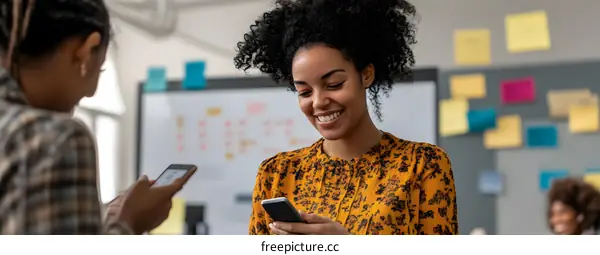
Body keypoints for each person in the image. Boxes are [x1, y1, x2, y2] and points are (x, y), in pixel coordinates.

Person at [234, 0, 458, 235]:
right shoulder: (276, 174)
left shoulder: (422, 165)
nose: (318, 102)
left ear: (366, 75)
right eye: (305, 92)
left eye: (334, 84)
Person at [0, 0, 190, 234]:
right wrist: (129, 221)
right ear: (86, 52)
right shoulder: (53, 140)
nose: (89, 93)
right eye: (99, 69)